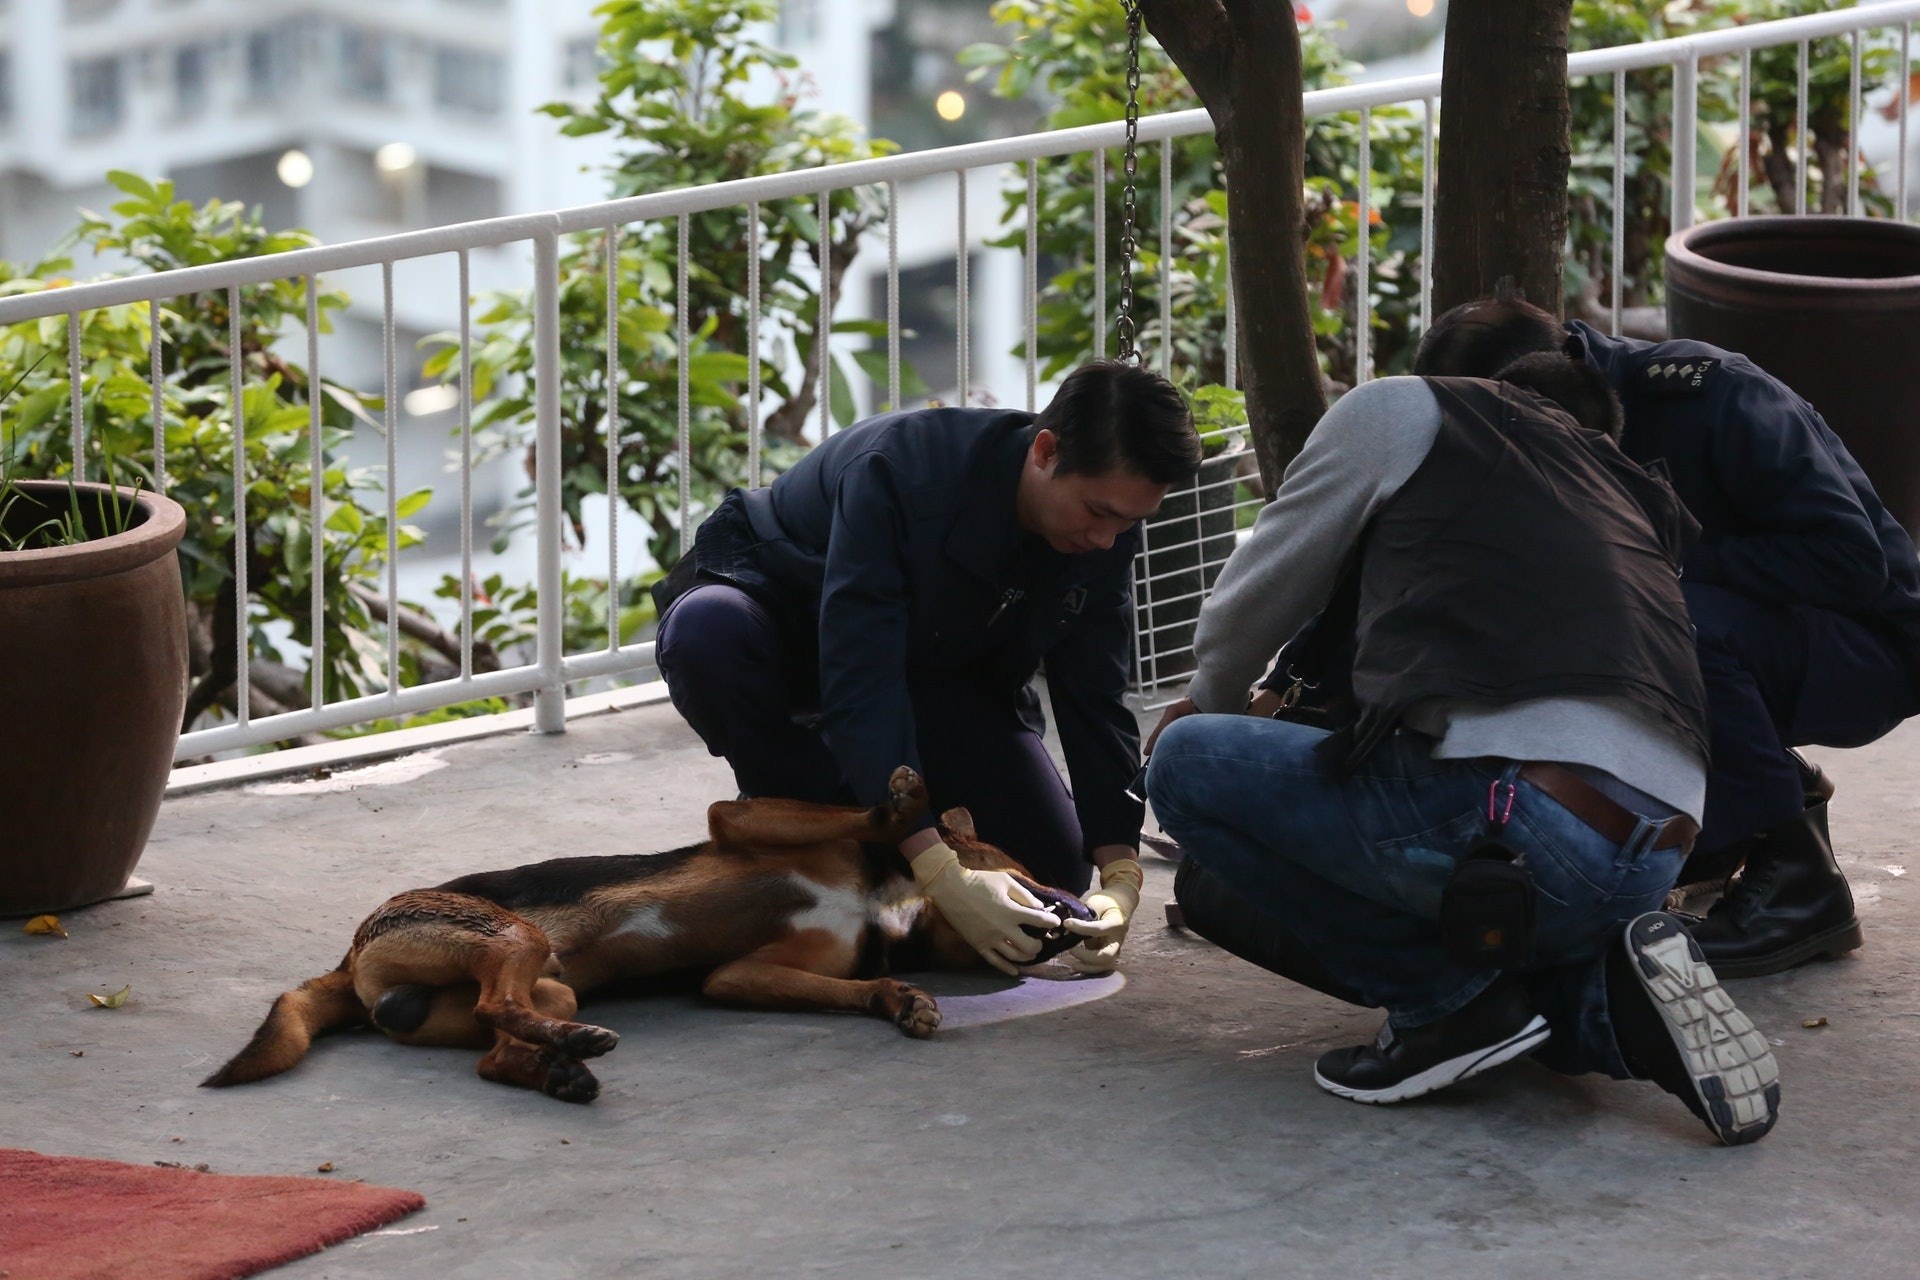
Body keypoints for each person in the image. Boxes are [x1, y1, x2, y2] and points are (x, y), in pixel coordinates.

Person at [1144, 357, 1781, 1143]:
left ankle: (1441, 1007)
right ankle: (1609, 1009)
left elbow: (1262, 589)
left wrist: (1205, 698)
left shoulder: (1402, 412)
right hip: (1657, 852)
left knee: (1188, 765)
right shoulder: (1619, 487)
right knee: (1501, 909)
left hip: (1527, 816)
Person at [1411, 294, 1920, 978]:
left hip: (1869, 646)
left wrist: (1658, 559)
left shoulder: (1714, 395)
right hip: (1750, 636)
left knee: (1662, 612)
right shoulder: (1522, 431)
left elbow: (1851, 561)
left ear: (1559, 385)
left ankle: (1800, 880)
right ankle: (1723, 829)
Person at [652, 360, 1200, 976]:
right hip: (793, 630)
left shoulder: (1106, 526)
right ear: (1046, 451)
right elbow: (861, 670)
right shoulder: (899, 471)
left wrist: (1118, 865)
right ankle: (797, 820)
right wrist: (934, 863)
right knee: (707, 631)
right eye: (1099, 513)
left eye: (1129, 521)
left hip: (936, 666)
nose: (1108, 538)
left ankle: (874, 849)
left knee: (1049, 878)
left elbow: (1094, 689)